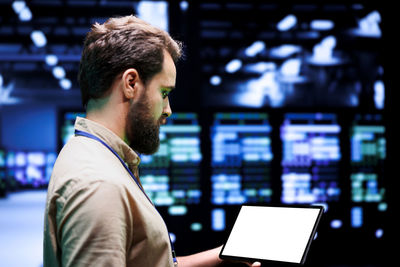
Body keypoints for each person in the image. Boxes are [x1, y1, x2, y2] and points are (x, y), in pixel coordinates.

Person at [43, 15, 261, 267]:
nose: (168, 109)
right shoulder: (99, 183)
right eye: (164, 93)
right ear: (131, 83)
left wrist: (223, 255)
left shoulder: (90, 153)